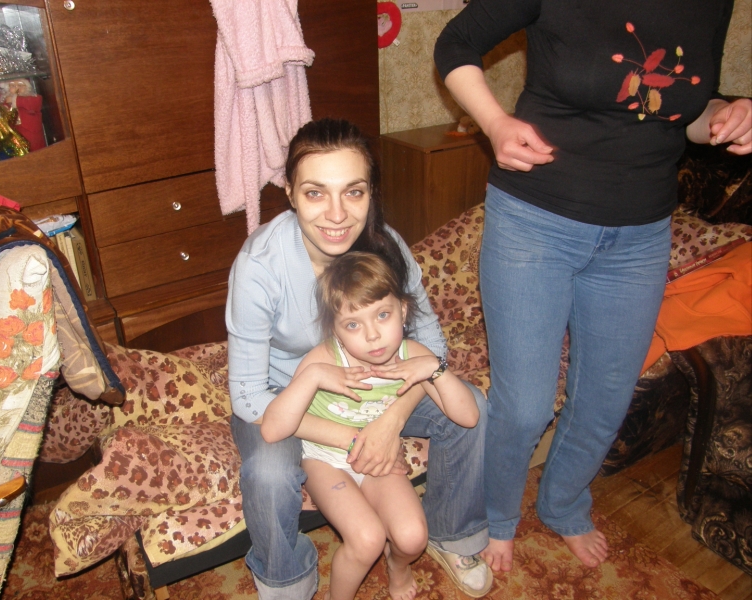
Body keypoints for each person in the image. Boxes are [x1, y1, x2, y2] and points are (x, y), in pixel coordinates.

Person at [434, 0, 751, 573]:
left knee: (605, 399)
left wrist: (725, 114)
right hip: (535, 220)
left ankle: (563, 504)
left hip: (641, 235)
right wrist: (495, 122)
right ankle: (497, 515)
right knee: (525, 406)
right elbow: (455, 41)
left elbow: (688, 110)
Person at [226, 118, 492, 599]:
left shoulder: (385, 245)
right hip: (288, 396)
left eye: (353, 192)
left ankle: (453, 532)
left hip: (382, 388)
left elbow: (431, 345)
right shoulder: (260, 265)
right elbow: (246, 395)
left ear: (371, 193)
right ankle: (286, 582)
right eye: (315, 193)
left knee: (472, 405)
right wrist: (354, 439)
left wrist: (392, 420)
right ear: (289, 193)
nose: (336, 214)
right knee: (268, 472)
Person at [260, 251, 481, 600]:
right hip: (325, 461)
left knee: (412, 538)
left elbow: (468, 417)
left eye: (382, 315)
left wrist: (434, 369)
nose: (373, 335)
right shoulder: (324, 359)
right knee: (367, 540)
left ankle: (398, 565)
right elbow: (273, 429)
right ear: (334, 329)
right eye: (353, 325)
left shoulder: (413, 356)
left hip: (377, 457)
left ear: (403, 311)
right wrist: (313, 376)